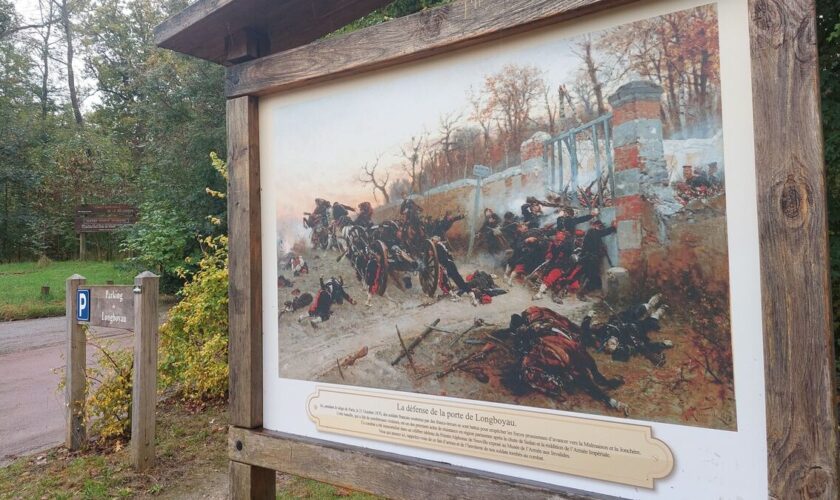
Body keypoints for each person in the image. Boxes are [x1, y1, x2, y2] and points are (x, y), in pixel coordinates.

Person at [577, 219, 617, 299]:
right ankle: (582, 294)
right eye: (600, 226)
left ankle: (586, 293)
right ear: (596, 225)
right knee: (591, 276)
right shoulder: (592, 231)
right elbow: (603, 233)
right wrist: (613, 228)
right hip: (590, 258)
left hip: (589, 258)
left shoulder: (592, 233)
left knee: (591, 276)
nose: (600, 228)